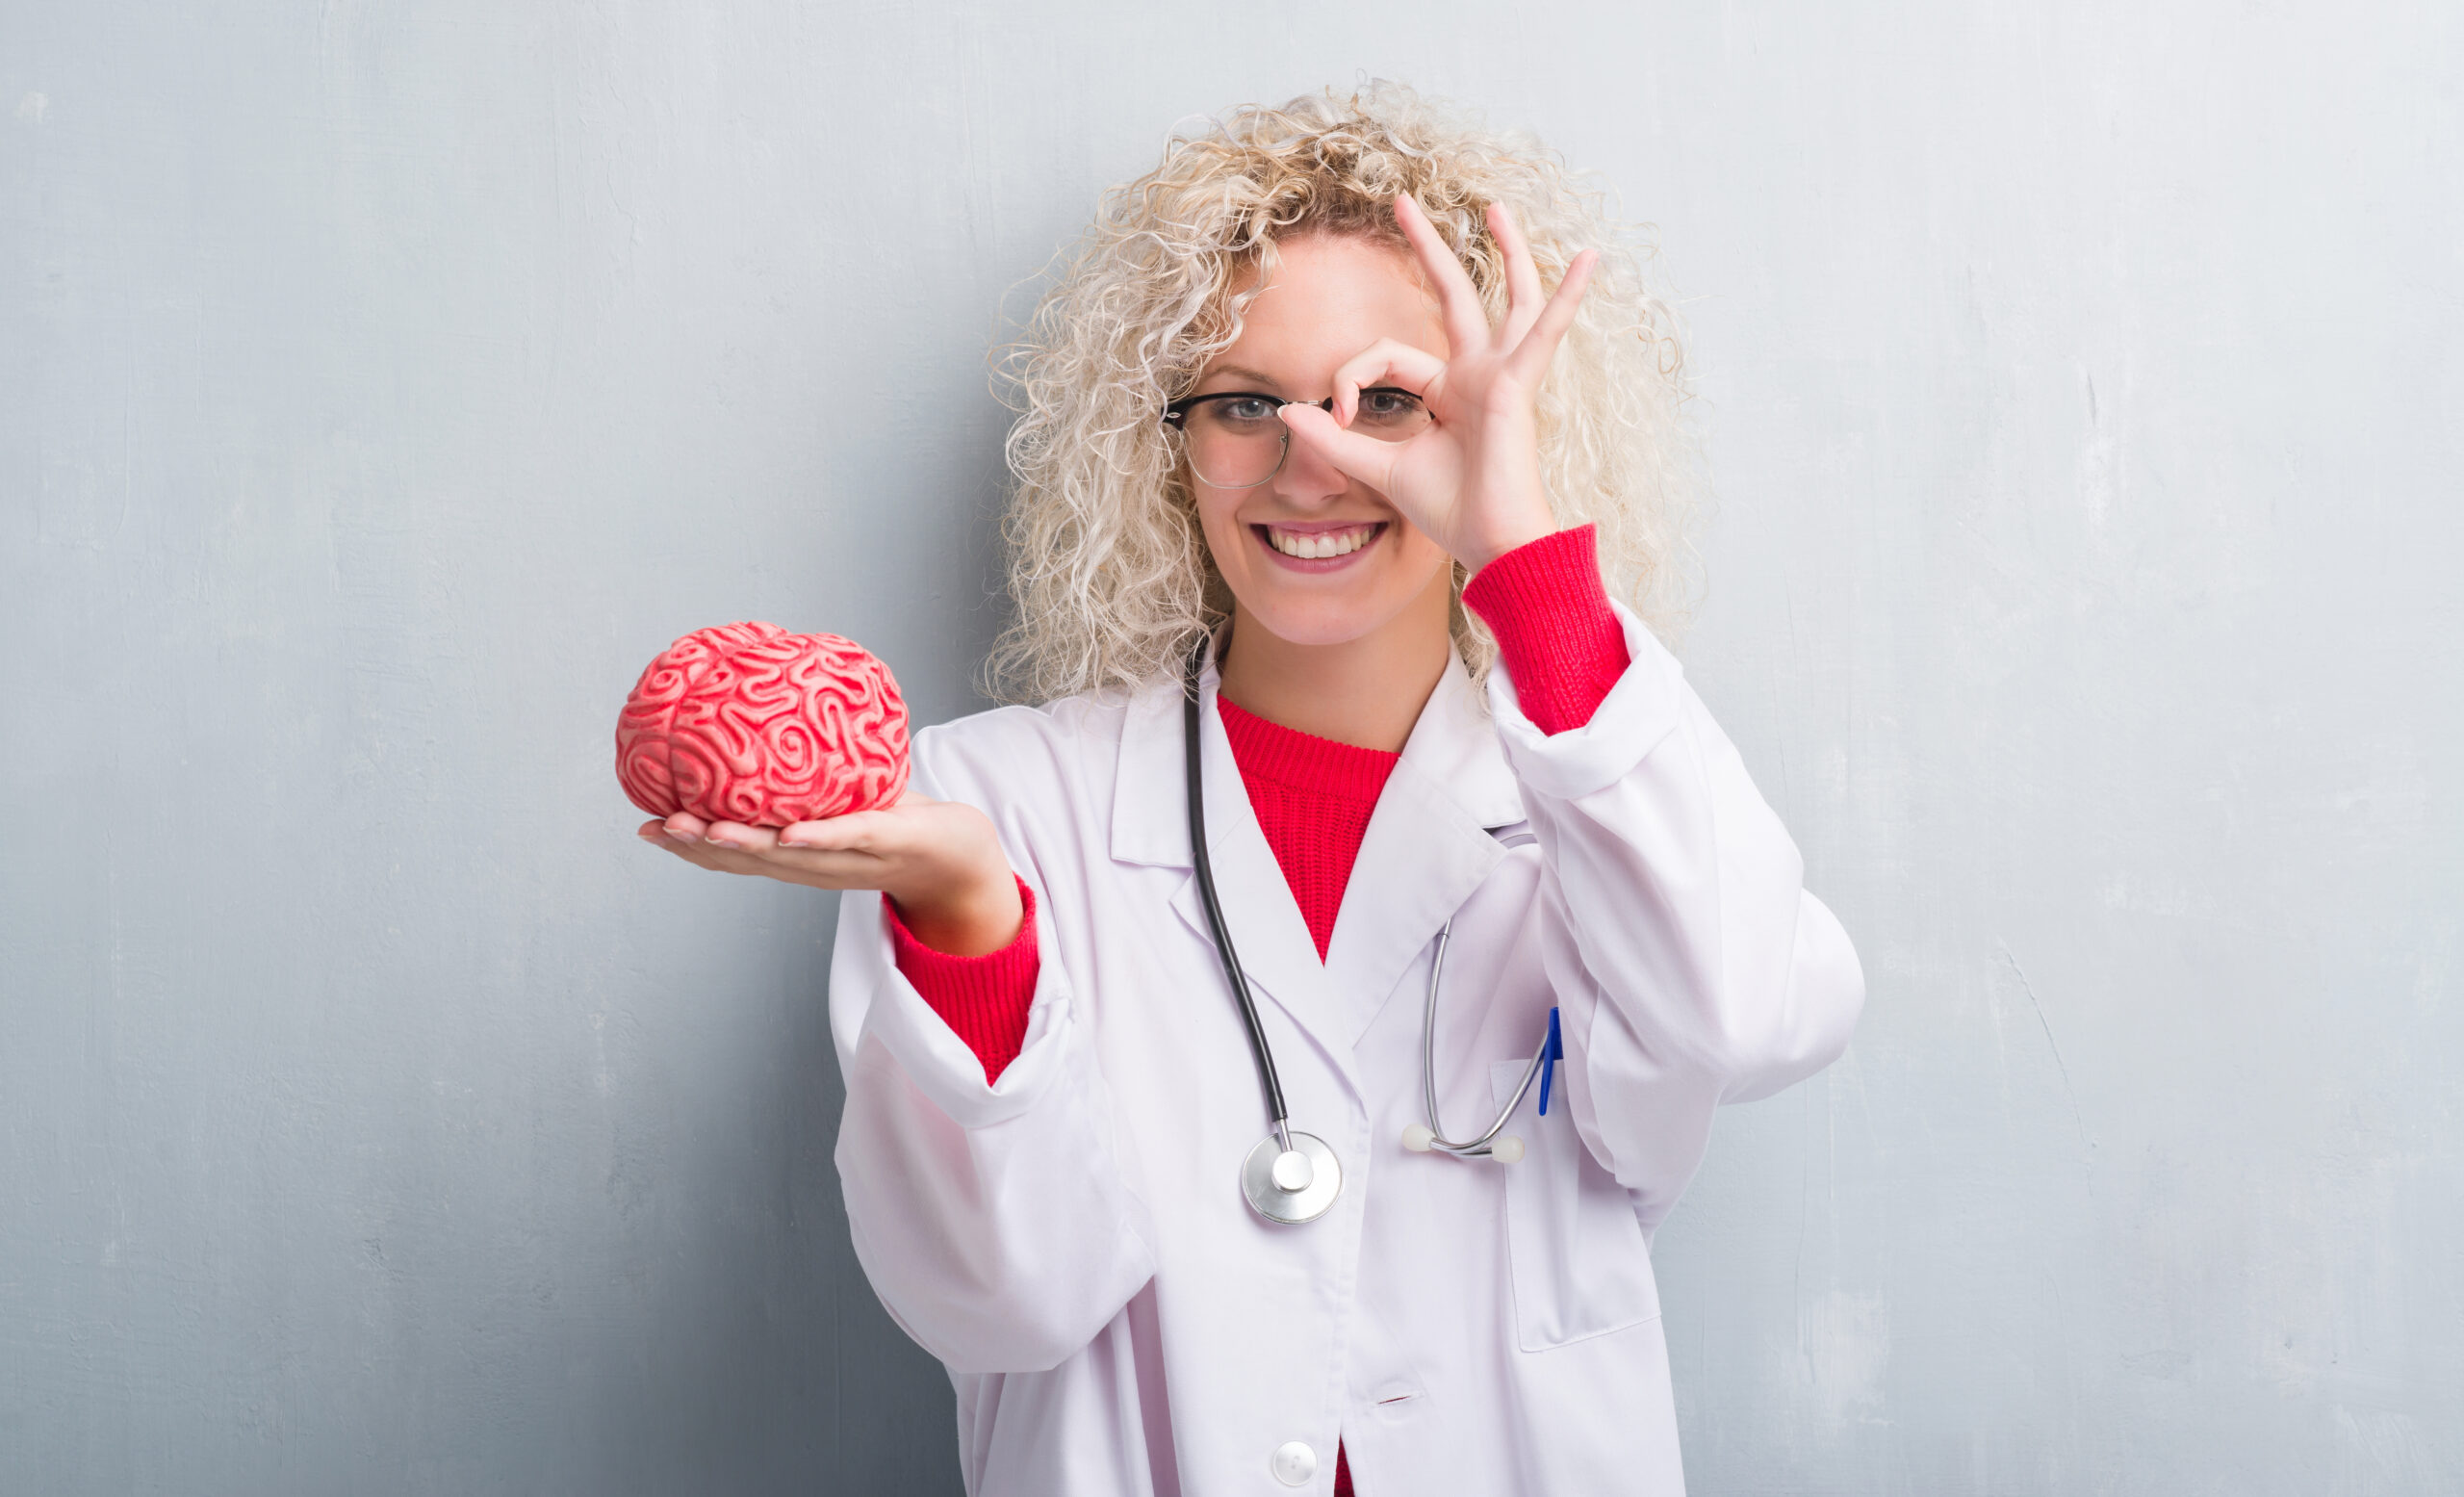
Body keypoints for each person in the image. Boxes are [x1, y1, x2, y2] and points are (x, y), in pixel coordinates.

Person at [638, 84, 1863, 1497]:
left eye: (1388, 403)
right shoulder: (989, 808)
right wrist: (970, 921)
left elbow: (1747, 1011)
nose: (1313, 462)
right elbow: (998, 1305)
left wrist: (1516, 547)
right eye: (1244, 404)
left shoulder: (1605, 791)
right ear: (1170, 446)